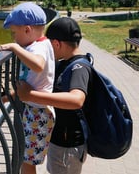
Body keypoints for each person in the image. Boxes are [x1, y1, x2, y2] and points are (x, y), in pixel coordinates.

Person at [16, 17, 92, 174]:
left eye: (47, 46)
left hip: (68, 145)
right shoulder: (62, 63)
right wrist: (5, 97)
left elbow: (76, 100)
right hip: (58, 139)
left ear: (57, 44)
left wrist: (30, 96)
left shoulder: (79, 68)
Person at [0, 2, 56, 174]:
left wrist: (14, 48)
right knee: (25, 159)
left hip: (39, 112)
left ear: (27, 30)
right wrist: (2, 100)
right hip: (34, 109)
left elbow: (38, 65)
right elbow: (25, 88)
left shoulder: (39, 47)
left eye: (14, 33)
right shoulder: (39, 44)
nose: (14, 38)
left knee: (27, 162)